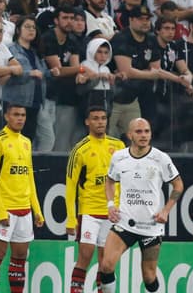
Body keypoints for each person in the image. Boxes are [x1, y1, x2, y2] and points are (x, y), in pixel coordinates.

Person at [98, 117, 183, 293]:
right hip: (125, 223)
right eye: (139, 131)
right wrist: (110, 205)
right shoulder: (119, 157)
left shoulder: (160, 158)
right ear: (130, 135)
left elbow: (178, 185)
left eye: (147, 131)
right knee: (106, 265)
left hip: (151, 227)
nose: (143, 135)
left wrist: (166, 211)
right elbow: (110, 181)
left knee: (149, 277)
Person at [0, 103, 44, 293]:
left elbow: (29, 177)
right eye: (16, 114)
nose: (20, 118)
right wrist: (1, 210)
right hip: (5, 209)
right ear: (6, 116)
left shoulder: (26, 141)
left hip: (24, 209)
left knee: (20, 257)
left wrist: (37, 209)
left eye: (23, 115)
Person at [65, 106, 125, 293]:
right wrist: (71, 218)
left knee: (105, 261)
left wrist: (121, 206)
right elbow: (70, 185)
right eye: (95, 118)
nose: (100, 122)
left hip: (110, 213)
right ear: (87, 122)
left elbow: (125, 179)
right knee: (85, 254)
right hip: (89, 210)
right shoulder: (80, 149)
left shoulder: (119, 146)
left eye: (103, 118)